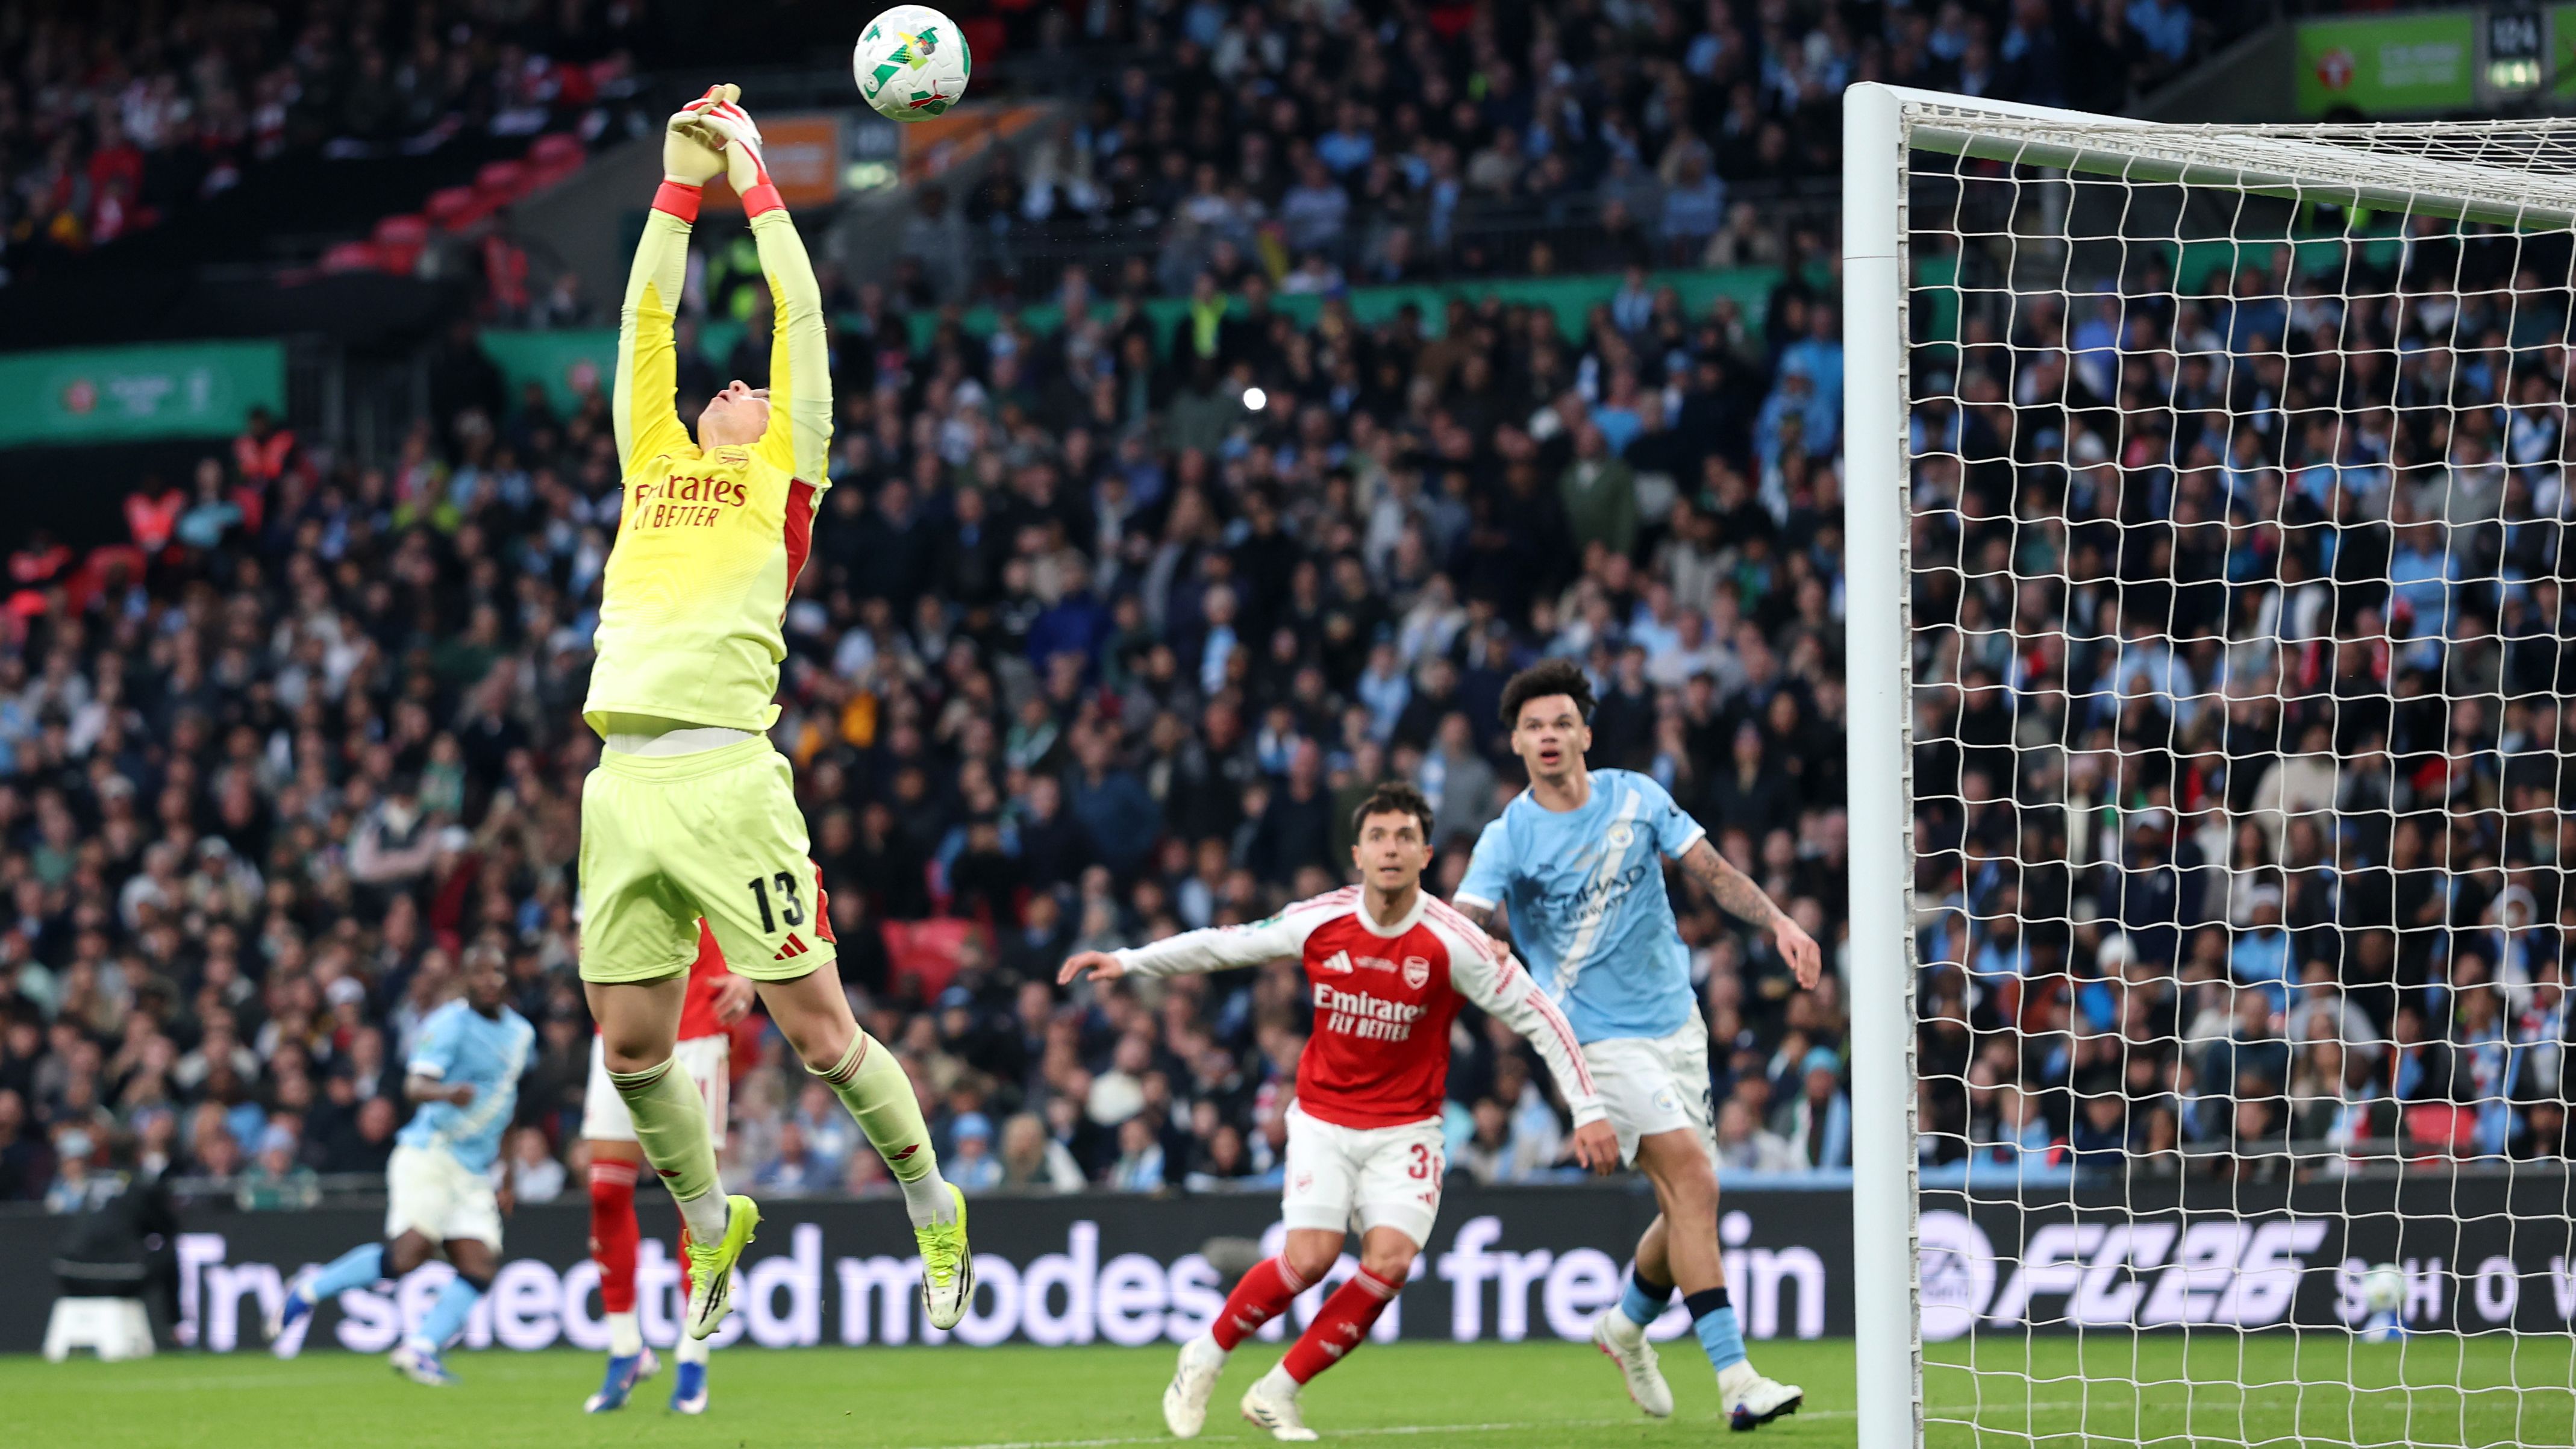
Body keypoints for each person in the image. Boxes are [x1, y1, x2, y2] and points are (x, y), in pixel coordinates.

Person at [574, 84, 968, 1353]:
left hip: (727, 776)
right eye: (722, 381)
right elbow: (647, 312)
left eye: (746, 387)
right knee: (632, 1047)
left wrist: (751, 174)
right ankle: (709, 1217)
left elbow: (797, 312)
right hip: (619, 781)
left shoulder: (785, 477)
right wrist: (675, 181)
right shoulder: (654, 459)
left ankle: (929, 1196)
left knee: (818, 1034)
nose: (735, 379)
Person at [1061, 781, 1616, 1442]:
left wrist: (1588, 1107)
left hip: (1407, 1126)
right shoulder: (1321, 919)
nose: (1391, 848)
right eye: (1378, 836)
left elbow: (1540, 1015)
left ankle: (1278, 1390)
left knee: (1389, 1262)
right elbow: (1221, 943)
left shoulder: (1455, 941)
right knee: (1311, 1256)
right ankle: (1203, 1356)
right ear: (1357, 852)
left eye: (1404, 837)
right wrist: (1126, 960)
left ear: (1425, 853)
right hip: (1324, 1117)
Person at [1451, 658, 1820, 1430]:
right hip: (1592, 1038)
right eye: (1532, 726)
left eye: (1561, 723)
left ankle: (1623, 1325)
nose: (1548, 736)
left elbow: (1712, 873)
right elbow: (1467, 925)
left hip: (1675, 1026)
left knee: (1688, 1201)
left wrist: (1780, 920)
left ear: (1584, 733)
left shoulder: (1637, 796)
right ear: (1516, 743)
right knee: (1692, 1179)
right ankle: (1736, 1379)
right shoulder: (1507, 836)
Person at [266, 946, 534, 1385]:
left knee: (481, 1263)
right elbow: (414, 1084)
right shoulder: (448, 1024)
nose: (490, 979)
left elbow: (509, 1101)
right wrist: (447, 1093)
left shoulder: (521, 1033)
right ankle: (309, 1288)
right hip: (430, 1151)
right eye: (481, 971)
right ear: (466, 979)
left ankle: (421, 1349)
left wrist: (508, 1172)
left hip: (472, 1168)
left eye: (498, 970)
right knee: (411, 1253)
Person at [581, 921, 752, 1414]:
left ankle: (693, 1358)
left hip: (697, 1026)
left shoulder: (720, 839)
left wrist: (750, 974)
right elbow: (591, 929)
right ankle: (625, 1348)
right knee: (604, 1193)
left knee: (697, 1205)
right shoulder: (603, 844)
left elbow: (763, 894)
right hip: (620, 1027)